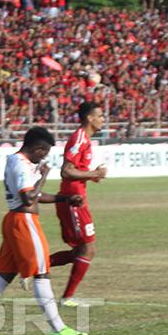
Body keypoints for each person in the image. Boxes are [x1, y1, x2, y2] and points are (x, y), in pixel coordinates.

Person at [0, 127, 85, 335]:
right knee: (41, 273)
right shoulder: (21, 164)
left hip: (15, 220)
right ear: (38, 148)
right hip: (24, 221)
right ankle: (58, 327)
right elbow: (29, 198)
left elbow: (35, 194)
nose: (45, 157)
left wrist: (64, 198)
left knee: (5, 274)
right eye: (45, 152)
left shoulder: (18, 163)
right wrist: (44, 174)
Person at [49, 102, 108, 306]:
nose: (103, 119)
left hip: (77, 197)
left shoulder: (86, 140)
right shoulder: (79, 138)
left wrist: (91, 177)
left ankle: (32, 268)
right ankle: (66, 298)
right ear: (89, 118)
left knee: (80, 251)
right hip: (72, 199)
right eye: (100, 115)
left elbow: (75, 171)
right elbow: (66, 171)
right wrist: (94, 173)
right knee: (87, 249)